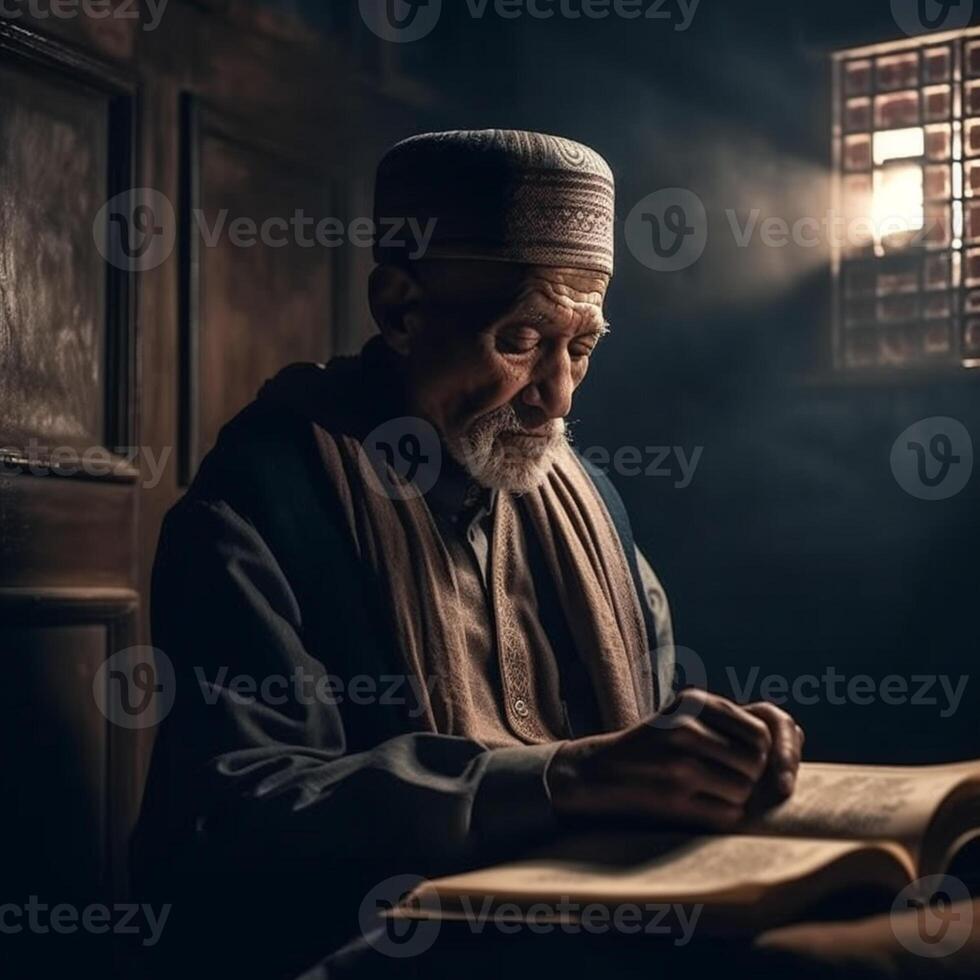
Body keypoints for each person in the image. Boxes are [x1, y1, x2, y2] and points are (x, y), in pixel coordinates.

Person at [133, 130, 804, 979]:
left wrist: (708, 764)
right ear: (400, 307)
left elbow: (650, 733)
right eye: (521, 339)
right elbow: (235, 808)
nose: (557, 397)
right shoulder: (267, 498)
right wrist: (563, 780)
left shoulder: (593, 506)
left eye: (583, 347)